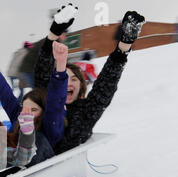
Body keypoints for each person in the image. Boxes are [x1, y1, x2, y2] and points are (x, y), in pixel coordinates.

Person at [34, 4, 145, 154]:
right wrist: (53, 35)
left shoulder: (85, 112)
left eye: (74, 79)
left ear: (81, 87)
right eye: (64, 78)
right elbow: (42, 74)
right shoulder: (46, 103)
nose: (68, 82)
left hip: (66, 174)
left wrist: (124, 46)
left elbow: (105, 85)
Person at [0, 43, 55, 167]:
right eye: (25, 107)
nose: (27, 113)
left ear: (43, 112)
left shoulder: (46, 129)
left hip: (29, 170)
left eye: (33, 109)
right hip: (4, 166)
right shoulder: (17, 116)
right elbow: (4, 91)